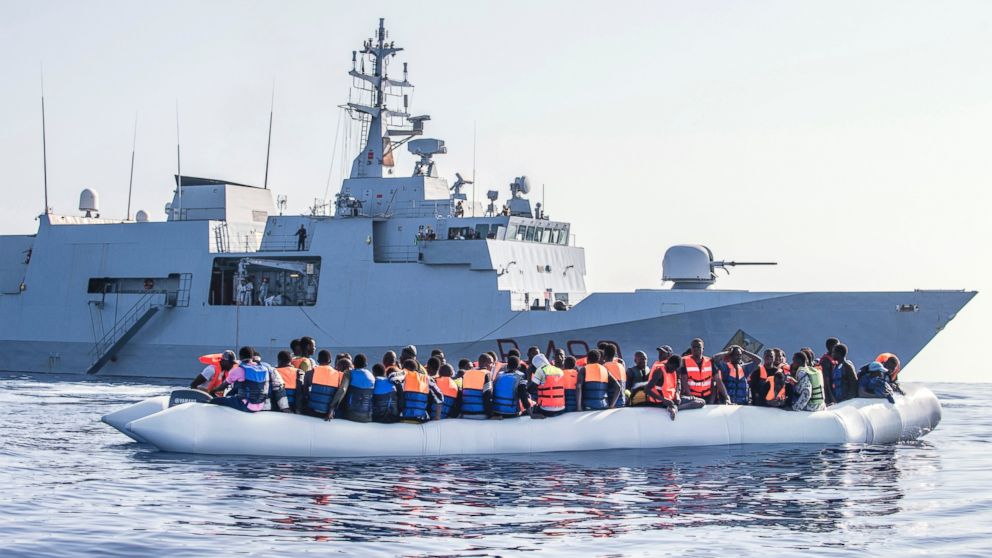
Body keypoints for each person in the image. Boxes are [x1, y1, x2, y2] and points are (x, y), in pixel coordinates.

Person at [210, 346, 290, 413]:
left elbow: (223, 386)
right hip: (261, 405)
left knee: (217, 400)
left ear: (240, 357)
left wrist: (212, 391)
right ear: (252, 357)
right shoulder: (264, 369)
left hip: (245, 405)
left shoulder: (239, 370)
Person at [644, 355, 705, 420]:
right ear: (669, 363)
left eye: (676, 369)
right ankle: (672, 407)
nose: (674, 370)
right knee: (673, 403)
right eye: (673, 368)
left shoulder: (674, 371)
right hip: (662, 401)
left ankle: (676, 408)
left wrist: (677, 395)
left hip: (673, 399)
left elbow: (677, 384)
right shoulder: (659, 371)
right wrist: (664, 400)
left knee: (701, 402)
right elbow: (647, 389)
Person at [302, 350, 349, 420]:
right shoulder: (339, 375)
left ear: (317, 360)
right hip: (327, 413)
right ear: (330, 361)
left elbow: (305, 391)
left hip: (311, 410)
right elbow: (341, 393)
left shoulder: (310, 373)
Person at [679, 338, 728, 405]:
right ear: (691, 349)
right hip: (692, 398)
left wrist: (726, 397)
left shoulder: (709, 362)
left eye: (698, 347)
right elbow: (684, 381)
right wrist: (691, 397)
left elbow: (718, 380)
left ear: (703, 349)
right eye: (694, 347)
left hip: (708, 398)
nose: (696, 349)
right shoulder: (684, 361)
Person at [340, 353, 375, 422]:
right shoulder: (372, 376)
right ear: (365, 365)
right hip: (367, 417)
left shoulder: (349, 373)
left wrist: (332, 407)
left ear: (353, 364)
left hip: (350, 415)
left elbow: (342, 390)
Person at [529, 353, 566, 418]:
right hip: (561, 408)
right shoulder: (559, 370)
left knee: (529, 408)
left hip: (546, 410)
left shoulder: (540, 370)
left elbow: (531, 389)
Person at [460, 353, 495, 419]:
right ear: (486, 363)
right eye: (491, 363)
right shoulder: (487, 374)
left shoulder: (466, 374)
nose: (493, 366)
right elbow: (488, 395)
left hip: (465, 414)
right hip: (480, 414)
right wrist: (491, 415)